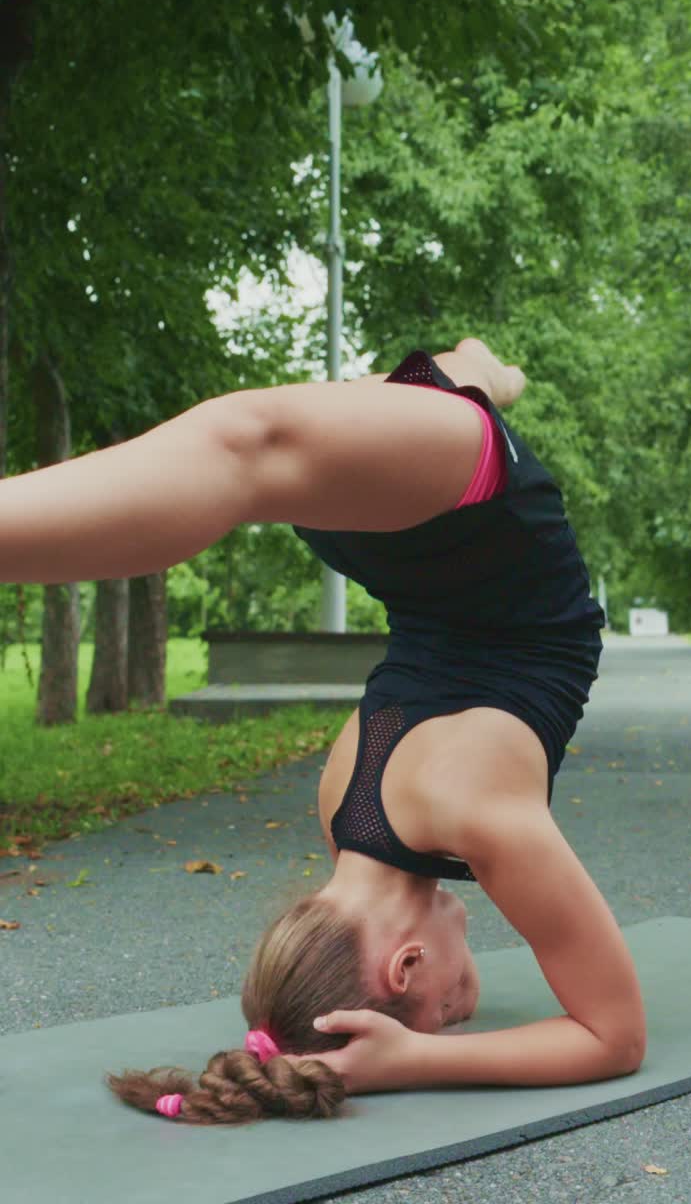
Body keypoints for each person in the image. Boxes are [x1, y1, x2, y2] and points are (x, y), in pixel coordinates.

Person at [1, 336, 647, 1124]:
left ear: (406, 967)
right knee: (440, 384)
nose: (461, 1009)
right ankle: (484, 370)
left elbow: (612, 1036)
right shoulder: (342, 806)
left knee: (242, 445)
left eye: (446, 1009)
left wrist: (416, 1060)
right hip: (385, 545)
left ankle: (484, 373)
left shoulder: (481, 816)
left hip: (479, 511)